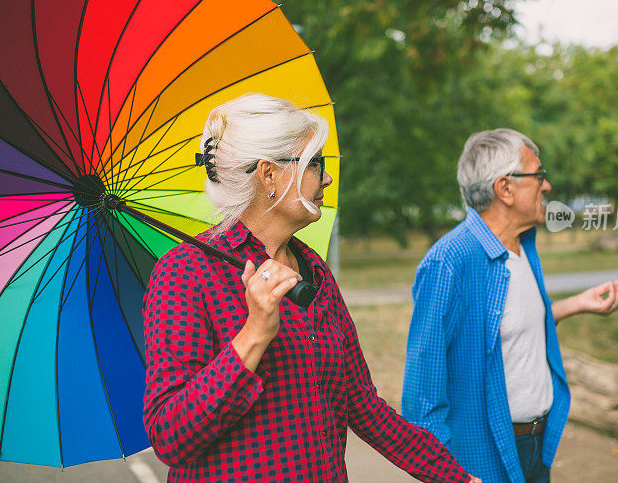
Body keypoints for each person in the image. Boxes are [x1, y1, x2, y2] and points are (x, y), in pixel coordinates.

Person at [143, 94, 481, 482]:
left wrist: (458, 478)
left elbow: (364, 407)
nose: (327, 177)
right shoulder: (187, 273)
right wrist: (253, 336)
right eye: (314, 163)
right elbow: (169, 437)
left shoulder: (314, 271)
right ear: (269, 175)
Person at [402, 129, 618, 483]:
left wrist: (575, 304)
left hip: (535, 448)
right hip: (480, 458)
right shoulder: (450, 261)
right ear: (505, 188)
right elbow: (423, 391)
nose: (547, 186)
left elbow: (510, 327)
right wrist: (444, 474)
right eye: (538, 175)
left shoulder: (524, 246)